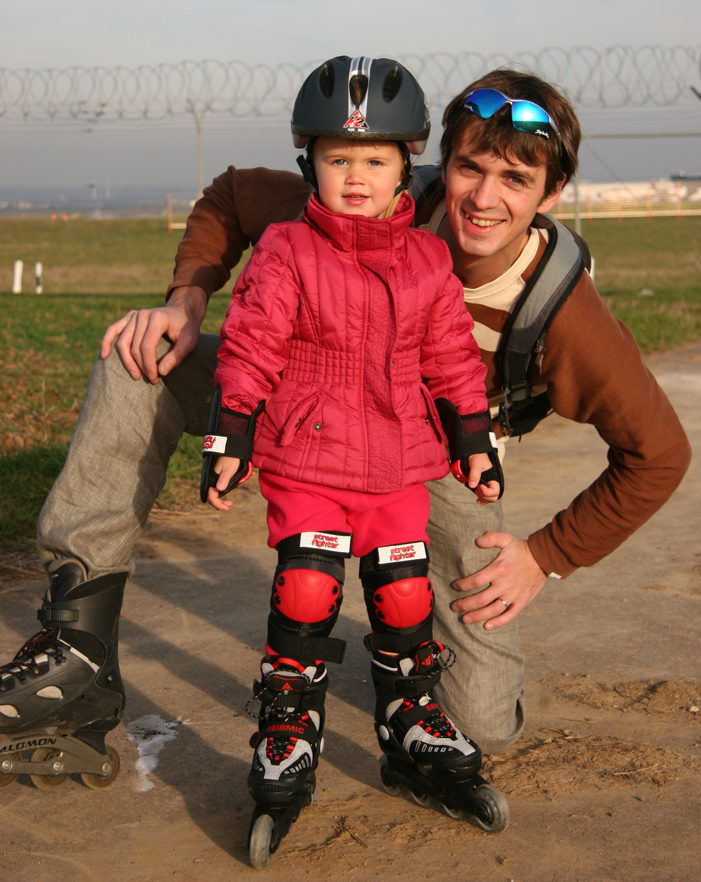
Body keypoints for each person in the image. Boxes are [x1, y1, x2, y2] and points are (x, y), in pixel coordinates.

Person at [0, 65, 690, 785]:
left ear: (549, 194)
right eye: (469, 169)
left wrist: (545, 555)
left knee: (482, 723)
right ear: (438, 164)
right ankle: (76, 650)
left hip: (429, 455)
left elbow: (660, 453)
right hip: (305, 408)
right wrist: (186, 300)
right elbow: (231, 196)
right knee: (138, 356)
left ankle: (397, 658)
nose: (485, 199)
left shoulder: (563, 313)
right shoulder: (372, 195)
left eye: (515, 180)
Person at [201, 55, 504, 827]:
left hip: (398, 459)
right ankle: (289, 720)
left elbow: (450, 356)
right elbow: (251, 343)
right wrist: (231, 431)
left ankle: (408, 716)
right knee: (308, 586)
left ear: (407, 166)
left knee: (404, 593)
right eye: (339, 160)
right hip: (308, 453)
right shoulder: (285, 248)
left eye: (374, 160)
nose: (356, 177)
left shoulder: (428, 258)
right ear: (310, 164)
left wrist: (471, 436)